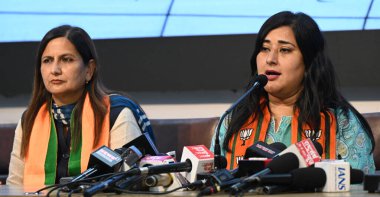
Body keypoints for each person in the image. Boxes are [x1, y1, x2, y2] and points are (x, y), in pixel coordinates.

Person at [210, 11, 376, 173]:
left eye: (285, 50)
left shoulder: (341, 122)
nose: (270, 59)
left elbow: (358, 189)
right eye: (265, 48)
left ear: (309, 62)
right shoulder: (233, 120)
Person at [7, 25, 155, 186]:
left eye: (67, 59)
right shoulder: (30, 119)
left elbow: (130, 184)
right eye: (47, 60)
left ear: (89, 70)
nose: (55, 70)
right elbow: (14, 186)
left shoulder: (116, 114)